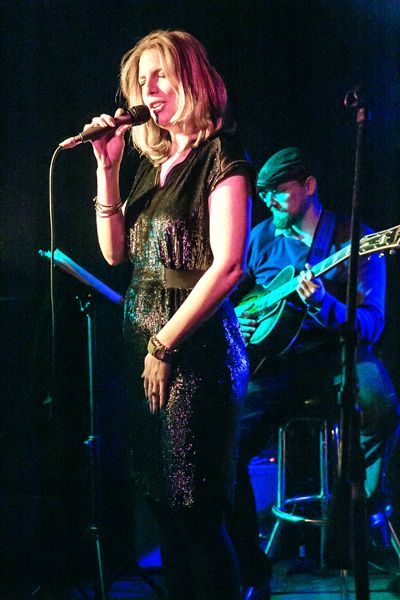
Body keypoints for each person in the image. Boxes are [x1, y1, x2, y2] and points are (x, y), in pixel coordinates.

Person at [85, 30, 253, 600]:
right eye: (141, 80)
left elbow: (228, 267)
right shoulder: (152, 166)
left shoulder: (221, 158)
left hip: (195, 358)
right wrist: (107, 168)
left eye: (161, 75)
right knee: (163, 510)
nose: (148, 90)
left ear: (192, 79)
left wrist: (164, 345)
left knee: (195, 514)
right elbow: (115, 254)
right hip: (144, 353)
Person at [229, 147, 400, 598]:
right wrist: (239, 318)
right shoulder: (260, 237)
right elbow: (233, 297)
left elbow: (371, 325)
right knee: (227, 437)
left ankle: (358, 516)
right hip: (277, 361)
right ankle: (250, 566)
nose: (269, 202)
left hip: (340, 354)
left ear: (308, 186)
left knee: (380, 405)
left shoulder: (355, 240)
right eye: (263, 194)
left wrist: (323, 303)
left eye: (279, 192)